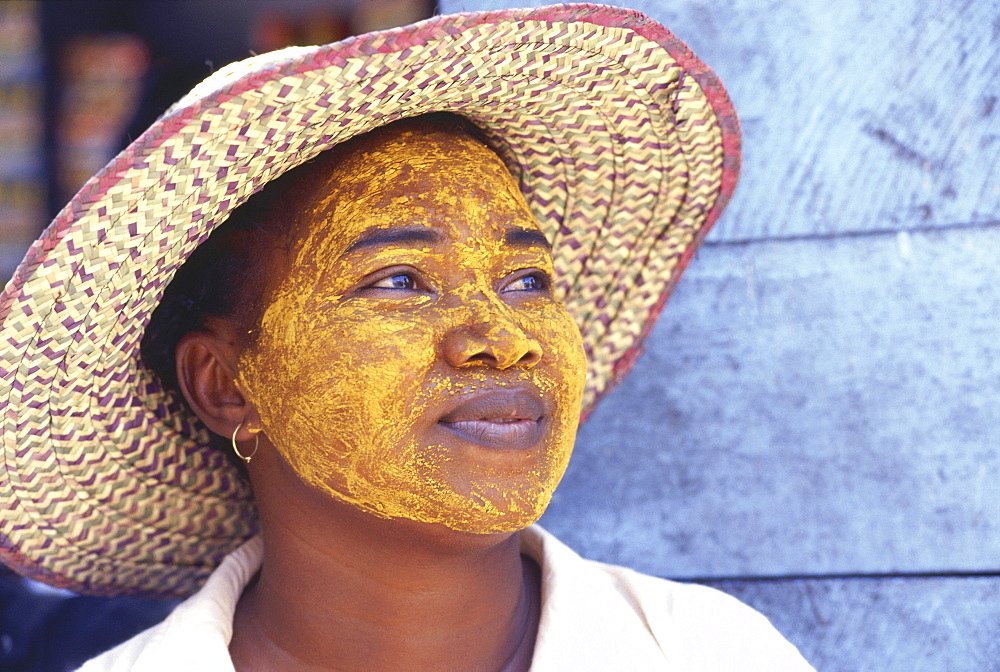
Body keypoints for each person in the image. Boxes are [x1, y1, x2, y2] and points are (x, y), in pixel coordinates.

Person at [0, 5, 813, 671]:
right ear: (225, 384)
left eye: (528, 281)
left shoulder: (712, 653)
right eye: (399, 280)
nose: (503, 338)